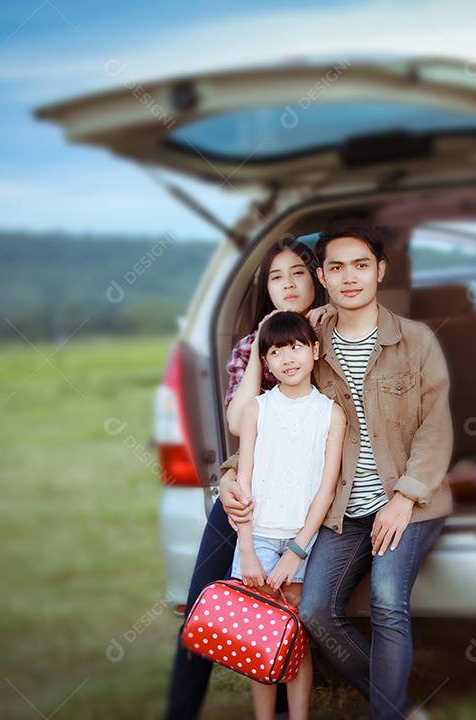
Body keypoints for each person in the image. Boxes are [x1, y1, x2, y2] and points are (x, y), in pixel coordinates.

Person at [222, 220, 454, 720]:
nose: (350, 277)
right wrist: (229, 471)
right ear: (322, 277)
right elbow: (279, 421)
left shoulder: (415, 341)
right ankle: (399, 705)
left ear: (380, 272)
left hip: (408, 501)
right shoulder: (308, 338)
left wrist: (405, 497)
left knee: (388, 602)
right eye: (336, 267)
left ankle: (388, 713)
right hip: (341, 508)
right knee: (314, 612)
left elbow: (436, 433)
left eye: (361, 266)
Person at [163, 238, 328, 720]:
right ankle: (180, 710)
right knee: (202, 598)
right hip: (255, 490)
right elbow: (238, 423)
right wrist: (260, 346)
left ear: (317, 278)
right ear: (267, 289)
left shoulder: (331, 338)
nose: (288, 285)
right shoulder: (247, 350)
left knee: (291, 606)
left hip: (313, 497)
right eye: (276, 277)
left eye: (298, 273)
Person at [230, 310, 347, 720]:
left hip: (303, 542)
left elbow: (327, 490)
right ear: (265, 362)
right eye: (275, 351)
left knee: (295, 640)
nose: (287, 358)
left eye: (296, 346)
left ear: (314, 350)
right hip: (258, 537)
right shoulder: (257, 411)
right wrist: (246, 548)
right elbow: (242, 484)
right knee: (260, 641)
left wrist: (296, 551)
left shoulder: (331, 413)